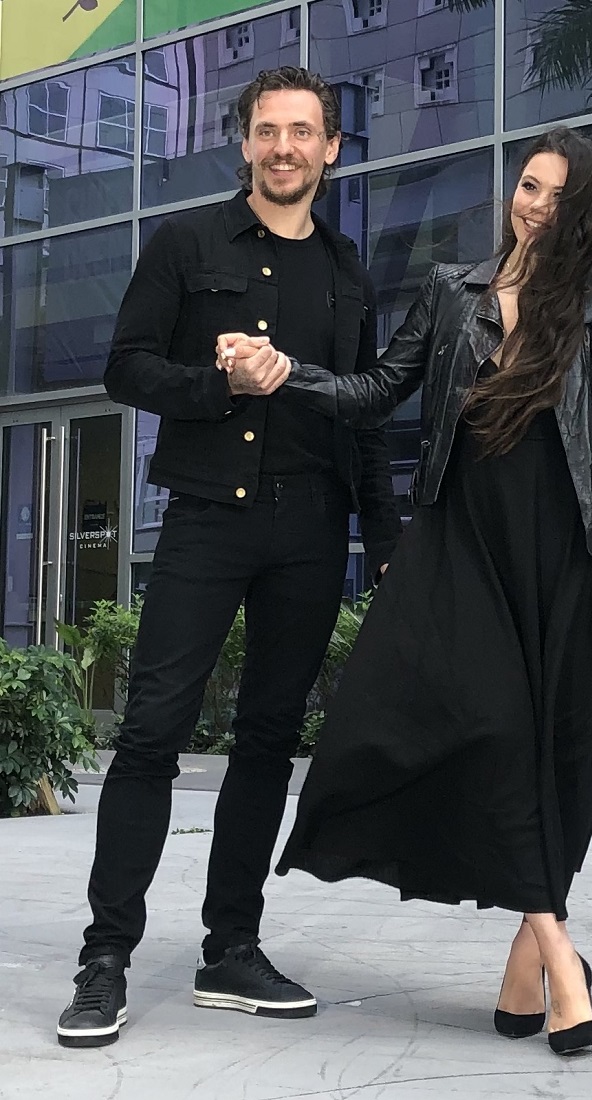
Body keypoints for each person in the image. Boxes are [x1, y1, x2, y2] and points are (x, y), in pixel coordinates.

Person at [219, 125, 592, 1056]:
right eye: (525, 186)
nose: (531, 205)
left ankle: (525, 970)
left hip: (560, 561)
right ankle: (563, 958)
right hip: (460, 546)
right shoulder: (454, 294)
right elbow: (378, 391)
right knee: (494, 735)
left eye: (552, 196)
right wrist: (288, 375)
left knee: (557, 762)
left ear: (581, 214)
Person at [56, 67, 403, 1048]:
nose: (284, 146)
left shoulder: (346, 272)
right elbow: (126, 365)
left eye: (303, 132)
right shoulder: (184, 243)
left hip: (308, 529)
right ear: (244, 143)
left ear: (331, 148)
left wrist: (382, 542)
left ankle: (230, 948)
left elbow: (368, 413)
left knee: (265, 741)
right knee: (150, 734)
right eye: (267, 131)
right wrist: (217, 381)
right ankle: (105, 956)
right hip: (208, 519)